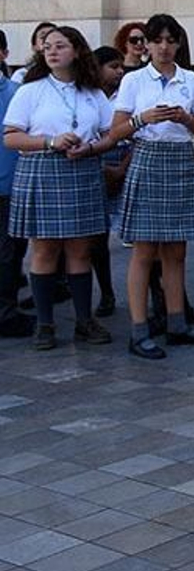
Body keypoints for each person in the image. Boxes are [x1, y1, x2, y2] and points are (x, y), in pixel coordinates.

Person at [90, 14, 194, 358]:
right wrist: (141, 119)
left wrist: (185, 118)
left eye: (170, 40)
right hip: (146, 158)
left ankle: (177, 324)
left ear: (178, 43)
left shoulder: (192, 79)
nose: (163, 47)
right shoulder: (134, 81)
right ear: (146, 45)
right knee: (144, 250)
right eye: (156, 40)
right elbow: (115, 132)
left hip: (179, 160)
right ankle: (138, 330)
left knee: (176, 250)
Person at [2, 26, 113, 350]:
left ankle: (83, 321)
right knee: (45, 249)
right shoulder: (31, 90)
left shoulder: (92, 92)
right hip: (41, 170)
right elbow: (10, 137)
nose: (51, 51)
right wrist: (50, 141)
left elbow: (110, 134)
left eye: (60, 46)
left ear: (77, 51)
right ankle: (45, 324)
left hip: (81, 170)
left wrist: (91, 148)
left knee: (80, 250)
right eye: (47, 47)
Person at [89, 46, 127, 316]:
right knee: (96, 238)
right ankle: (106, 294)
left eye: (121, 66)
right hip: (94, 162)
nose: (120, 71)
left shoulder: (127, 94)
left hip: (124, 160)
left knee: (141, 236)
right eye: (114, 66)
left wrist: (121, 169)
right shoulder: (87, 96)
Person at [0, 71, 29, 340]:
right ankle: (6, 315)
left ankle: (8, 310)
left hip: (13, 185)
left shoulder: (20, 92)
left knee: (12, 252)